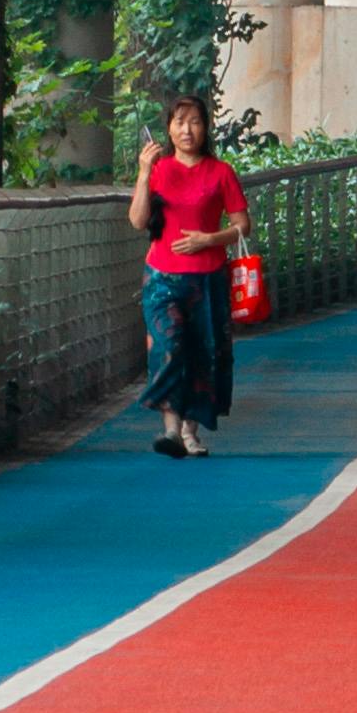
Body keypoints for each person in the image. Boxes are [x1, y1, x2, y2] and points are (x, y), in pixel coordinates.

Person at [128, 88, 249, 456]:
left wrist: (209, 239)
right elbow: (137, 221)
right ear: (168, 129)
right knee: (168, 347)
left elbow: (243, 225)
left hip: (207, 276)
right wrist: (145, 173)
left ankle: (189, 431)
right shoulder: (159, 170)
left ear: (206, 128)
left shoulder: (221, 173)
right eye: (179, 122)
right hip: (162, 276)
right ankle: (170, 429)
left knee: (205, 352)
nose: (187, 130)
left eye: (195, 122)